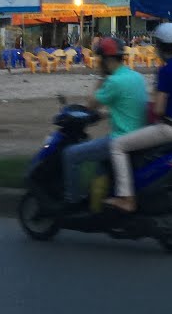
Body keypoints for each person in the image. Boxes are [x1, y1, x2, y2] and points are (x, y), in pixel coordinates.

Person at [105, 23, 172, 213]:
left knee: (117, 146)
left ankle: (126, 198)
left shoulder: (164, 70)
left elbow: (159, 109)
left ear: (159, 45)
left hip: (168, 130)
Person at [61, 37, 148, 210]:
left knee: (70, 154)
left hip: (121, 138)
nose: (98, 62)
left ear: (107, 59)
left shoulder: (114, 81)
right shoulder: (136, 77)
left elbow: (90, 104)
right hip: (139, 135)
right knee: (100, 167)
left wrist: (101, 78)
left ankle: (72, 201)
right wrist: (105, 114)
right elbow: (126, 106)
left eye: (100, 59)